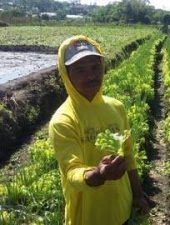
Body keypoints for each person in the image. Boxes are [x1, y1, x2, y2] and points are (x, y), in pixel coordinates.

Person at [49, 35, 149, 225]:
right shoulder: (64, 120)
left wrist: (137, 194)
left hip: (122, 209)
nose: (91, 76)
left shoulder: (116, 107)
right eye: (80, 70)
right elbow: (72, 172)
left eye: (95, 67)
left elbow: (128, 155)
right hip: (88, 216)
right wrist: (99, 174)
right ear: (66, 74)